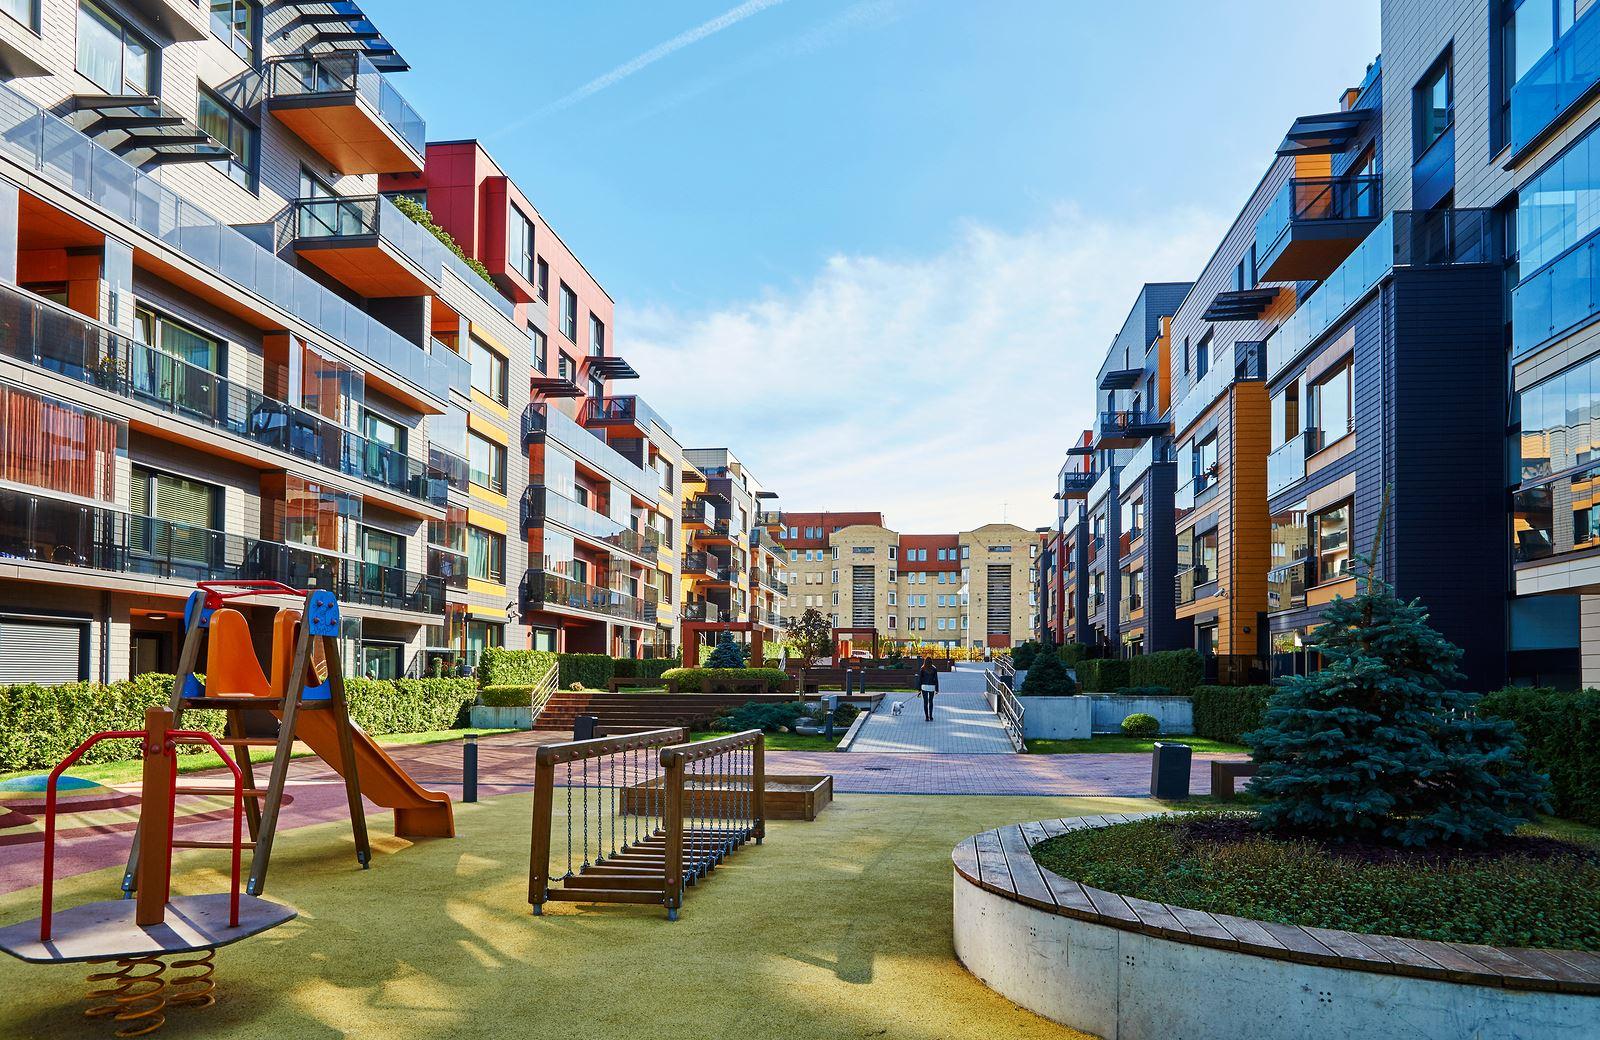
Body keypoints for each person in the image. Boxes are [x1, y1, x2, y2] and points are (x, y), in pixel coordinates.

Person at [917, 656, 939, 722]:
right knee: (931, 701)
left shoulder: (922, 668)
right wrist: (937, 689)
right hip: (932, 687)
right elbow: (936, 679)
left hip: (924, 687)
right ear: (931, 661)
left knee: (925, 702)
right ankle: (931, 716)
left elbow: (920, 679)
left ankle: (926, 717)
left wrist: (919, 689)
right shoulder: (934, 669)